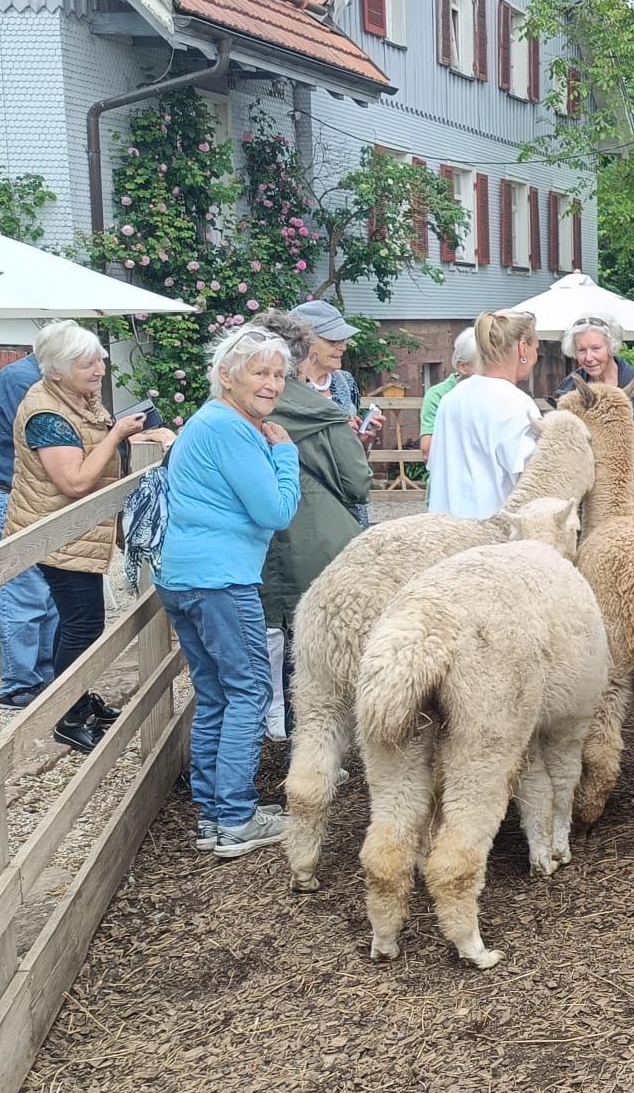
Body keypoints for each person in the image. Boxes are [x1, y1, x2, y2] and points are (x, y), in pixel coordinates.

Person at [159, 325, 301, 858]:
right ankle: (237, 818)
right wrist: (285, 455)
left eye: (279, 375)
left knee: (217, 693)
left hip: (183, 576)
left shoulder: (206, 421)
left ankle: (215, 816)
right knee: (249, 691)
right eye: (260, 373)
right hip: (220, 579)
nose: (272, 384)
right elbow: (275, 511)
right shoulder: (231, 428)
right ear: (226, 375)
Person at [3, 320, 173, 752]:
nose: (100, 369)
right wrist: (117, 434)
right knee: (83, 624)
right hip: (57, 532)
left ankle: (76, 699)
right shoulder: (46, 414)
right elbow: (75, 482)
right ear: (57, 371)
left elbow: (92, 445)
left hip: (77, 531)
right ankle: (68, 715)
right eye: (88, 364)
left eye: (100, 359)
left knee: (74, 622)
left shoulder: (75, 397)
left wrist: (135, 434)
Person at [252, 310, 373, 741]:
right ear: (305, 353)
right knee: (315, 649)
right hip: (321, 539)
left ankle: (278, 731)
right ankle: (309, 744)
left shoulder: (239, 413)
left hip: (259, 545)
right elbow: (358, 482)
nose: (341, 346)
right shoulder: (325, 413)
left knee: (273, 637)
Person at [0, 349, 57, 710]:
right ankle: (19, 682)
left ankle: (45, 676)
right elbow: (41, 439)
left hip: (29, 495)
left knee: (47, 591)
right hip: (8, 495)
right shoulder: (21, 381)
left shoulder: (37, 377)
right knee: (21, 591)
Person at [426, 309, 542, 518]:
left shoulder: (451, 399)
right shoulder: (517, 404)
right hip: (490, 529)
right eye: (536, 347)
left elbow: (435, 465)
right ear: (523, 348)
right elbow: (530, 480)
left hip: (444, 527)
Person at [554, 315, 634, 494]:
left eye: (596, 348)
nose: (589, 357)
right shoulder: (568, 391)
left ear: (611, 346)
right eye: (581, 350)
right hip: (586, 490)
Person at [288, 300, 378, 527]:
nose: (343, 346)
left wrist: (361, 441)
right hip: (310, 503)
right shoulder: (285, 388)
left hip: (351, 502)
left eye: (344, 339)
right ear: (305, 343)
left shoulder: (345, 382)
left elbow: (352, 453)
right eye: (333, 340)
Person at [417, 325, 477, 461]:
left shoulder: (498, 392)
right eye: (483, 364)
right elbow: (427, 451)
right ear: (463, 367)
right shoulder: (437, 395)